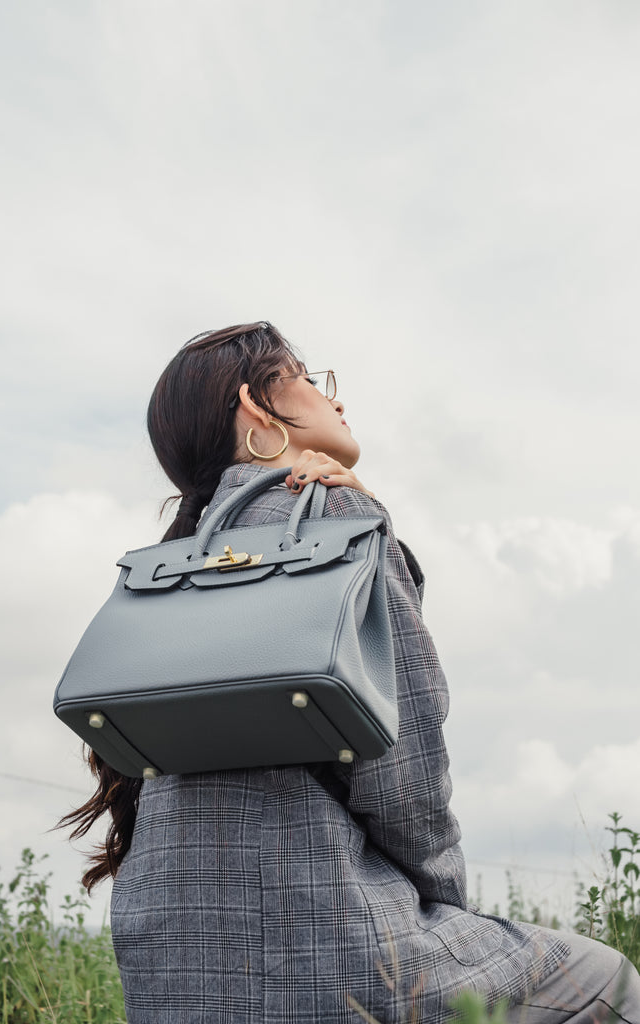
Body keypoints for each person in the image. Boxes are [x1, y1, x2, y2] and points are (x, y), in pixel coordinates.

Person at [61, 322, 640, 1024]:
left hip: (168, 968)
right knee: (605, 980)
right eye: (307, 377)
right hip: (339, 949)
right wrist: (446, 904)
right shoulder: (337, 522)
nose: (336, 401)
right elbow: (407, 780)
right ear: (255, 408)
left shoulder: (170, 565)